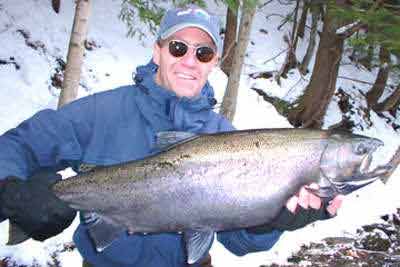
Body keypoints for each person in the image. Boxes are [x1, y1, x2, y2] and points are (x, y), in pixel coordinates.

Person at [0, 5, 343, 267]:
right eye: (179, 48)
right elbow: (18, 145)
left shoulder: (226, 138)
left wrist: (271, 221)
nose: (190, 61)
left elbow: (239, 242)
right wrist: (11, 192)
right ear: (158, 51)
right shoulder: (100, 112)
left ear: (214, 62)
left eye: (203, 53)